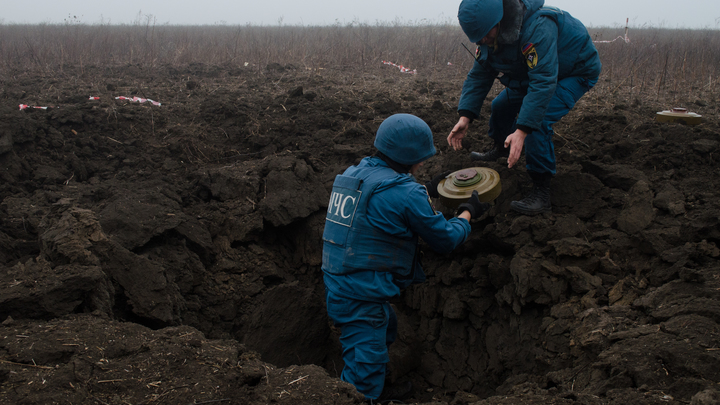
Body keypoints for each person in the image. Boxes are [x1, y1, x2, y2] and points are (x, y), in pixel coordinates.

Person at [321, 113, 488, 403]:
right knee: (365, 362)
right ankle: (361, 398)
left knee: (384, 329)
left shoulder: (353, 173)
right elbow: (445, 238)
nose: (423, 163)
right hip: (362, 291)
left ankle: (378, 390)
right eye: (421, 158)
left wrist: (426, 187)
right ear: (411, 156)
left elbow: (387, 200)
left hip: (341, 280)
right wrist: (467, 213)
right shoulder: (405, 192)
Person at [447, 0, 601, 215]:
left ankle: (541, 190)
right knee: (500, 106)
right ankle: (501, 148)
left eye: (485, 35)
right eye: (478, 37)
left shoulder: (538, 27)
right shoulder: (488, 34)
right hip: (535, 73)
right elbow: (480, 74)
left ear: (499, 19)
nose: (483, 40)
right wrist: (465, 116)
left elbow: (543, 81)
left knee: (538, 123)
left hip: (573, 71)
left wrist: (522, 130)